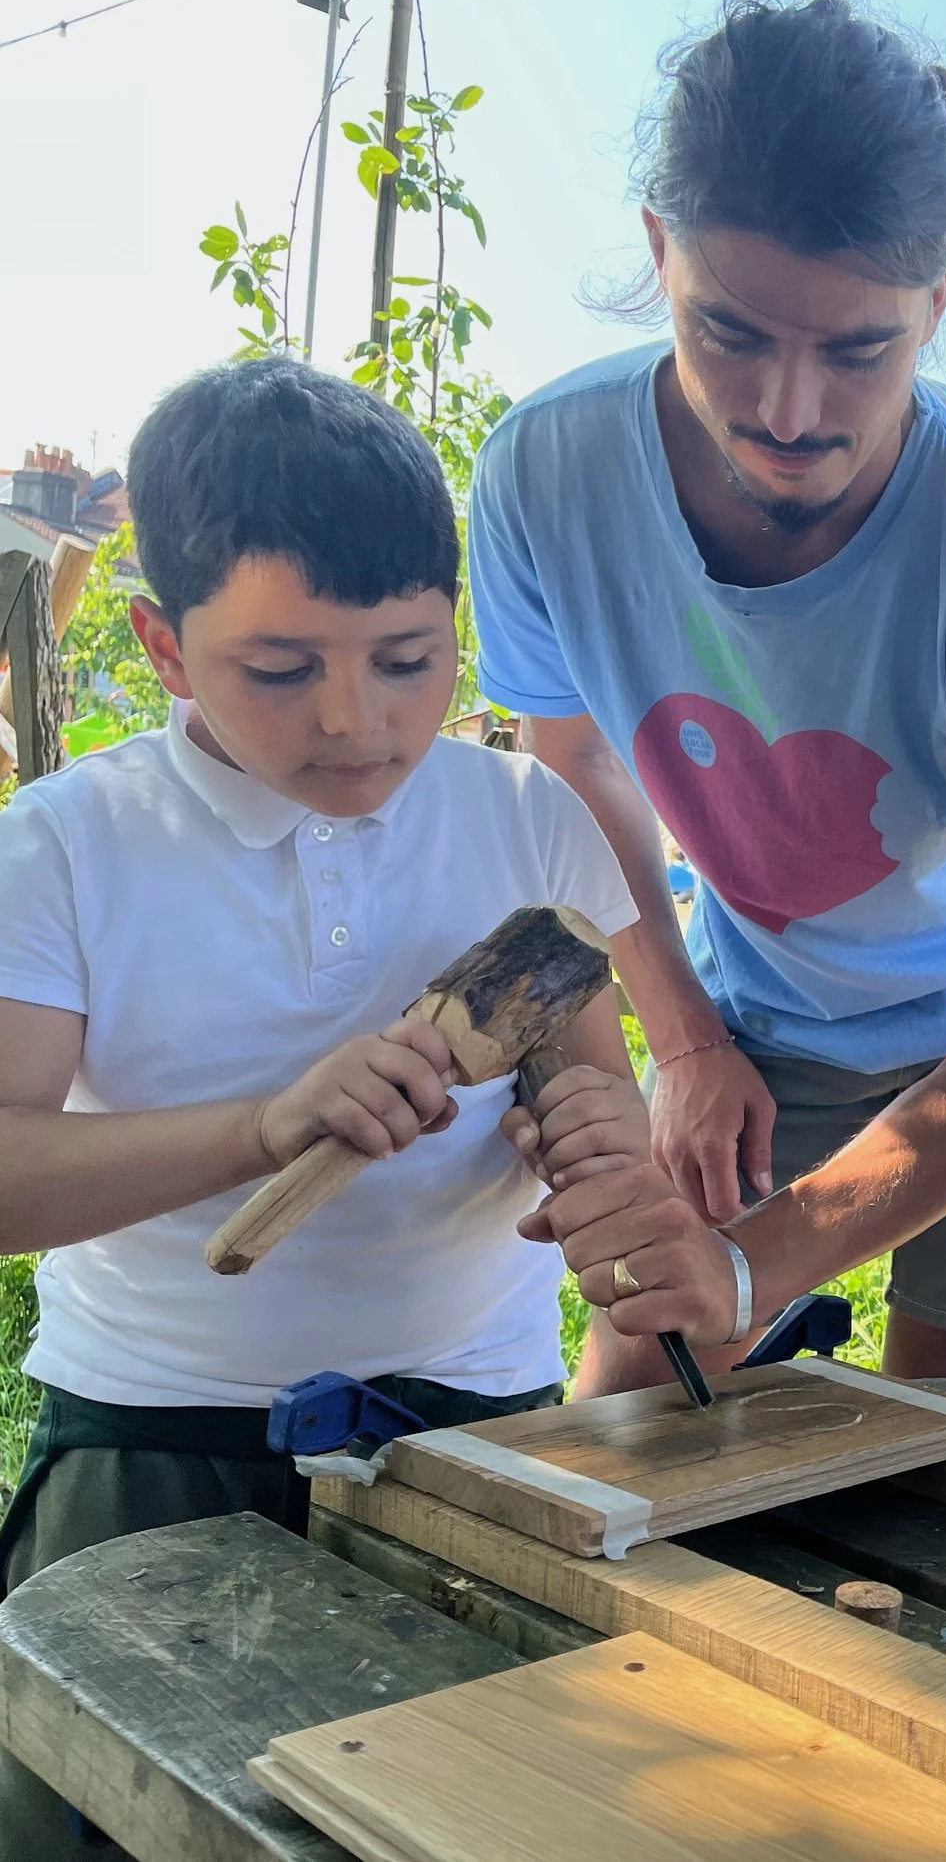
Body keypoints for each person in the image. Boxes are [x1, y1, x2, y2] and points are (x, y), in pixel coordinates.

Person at [0, 361, 645, 1859]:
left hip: (481, 1440)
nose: (359, 721)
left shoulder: (528, 819)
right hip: (157, 1449)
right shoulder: (64, 847)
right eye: (283, 670)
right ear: (160, 642)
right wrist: (263, 1123)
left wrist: (601, 1148)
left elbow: (591, 1082)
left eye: (410, 658)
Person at [465, 0, 946, 1391]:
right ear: (660, 251)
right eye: (731, 332)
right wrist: (688, 1038)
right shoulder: (542, 475)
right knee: (629, 1438)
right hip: (747, 1013)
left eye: (860, 351)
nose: (788, 410)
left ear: (938, 303)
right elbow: (577, 767)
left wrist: (754, 1266)